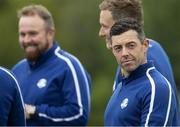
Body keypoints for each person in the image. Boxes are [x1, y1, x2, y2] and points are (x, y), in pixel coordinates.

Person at [98, 0, 180, 123]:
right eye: (119, 48)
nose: (101, 33)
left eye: (105, 26)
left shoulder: (143, 61)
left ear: (123, 24)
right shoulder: (135, 60)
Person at [12, 4, 91, 126]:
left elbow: (79, 115)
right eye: (22, 34)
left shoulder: (69, 66)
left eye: (32, 33)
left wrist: (36, 111)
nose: (27, 40)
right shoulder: (16, 70)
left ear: (50, 34)